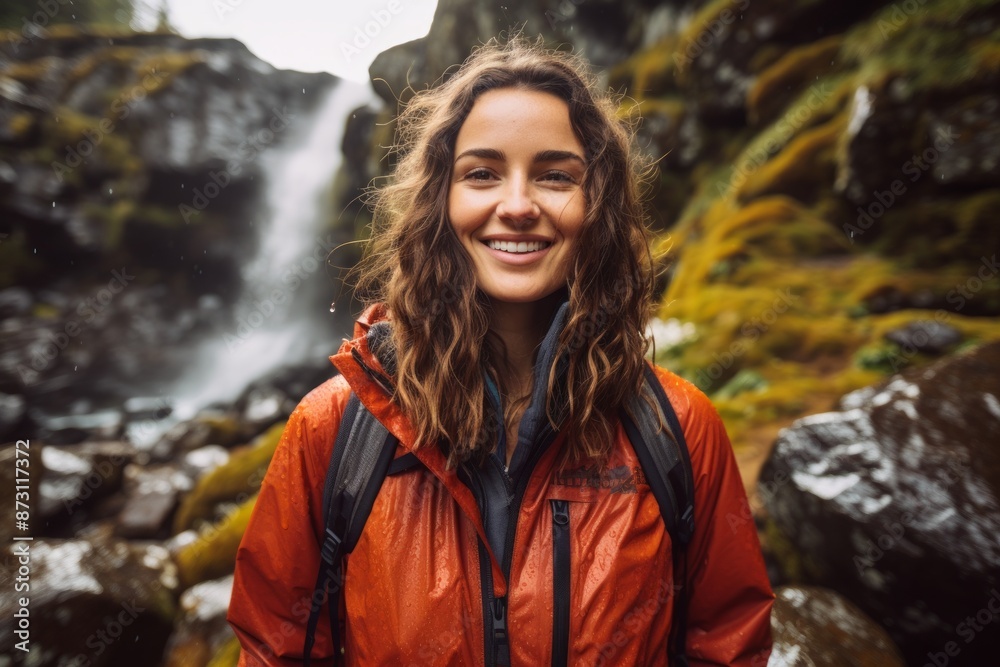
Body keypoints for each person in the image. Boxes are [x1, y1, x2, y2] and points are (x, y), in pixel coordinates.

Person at [227, 35, 774, 666]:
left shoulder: (678, 432)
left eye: (555, 175)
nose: (517, 206)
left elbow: (727, 646)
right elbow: (274, 651)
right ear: (442, 200)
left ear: (598, 203)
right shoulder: (335, 431)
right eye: (482, 173)